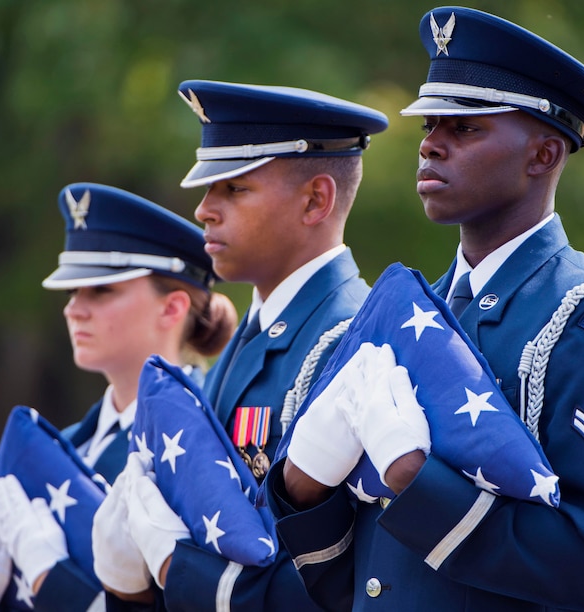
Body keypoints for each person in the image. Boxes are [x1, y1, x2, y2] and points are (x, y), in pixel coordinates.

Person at [269, 7, 584, 611]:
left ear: (543, 154)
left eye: (466, 129)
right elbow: (354, 585)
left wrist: (413, 479)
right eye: (432, 125)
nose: (431, 145)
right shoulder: (394, 321)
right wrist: (301, 492)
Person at [94, 80, 388, 611]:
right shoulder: (251, 337)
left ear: (316, 199)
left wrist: (172, 566)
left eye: (234, 188)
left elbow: (349, 585)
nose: (205, 209)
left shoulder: (353, 342)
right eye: (210, 189)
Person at [0, 183, 236, 611]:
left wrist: (53, 578)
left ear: (172, 308)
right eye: (72, 291)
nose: (73, 309)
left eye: (101, 290)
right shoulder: (69, 443)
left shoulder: (210, 440)